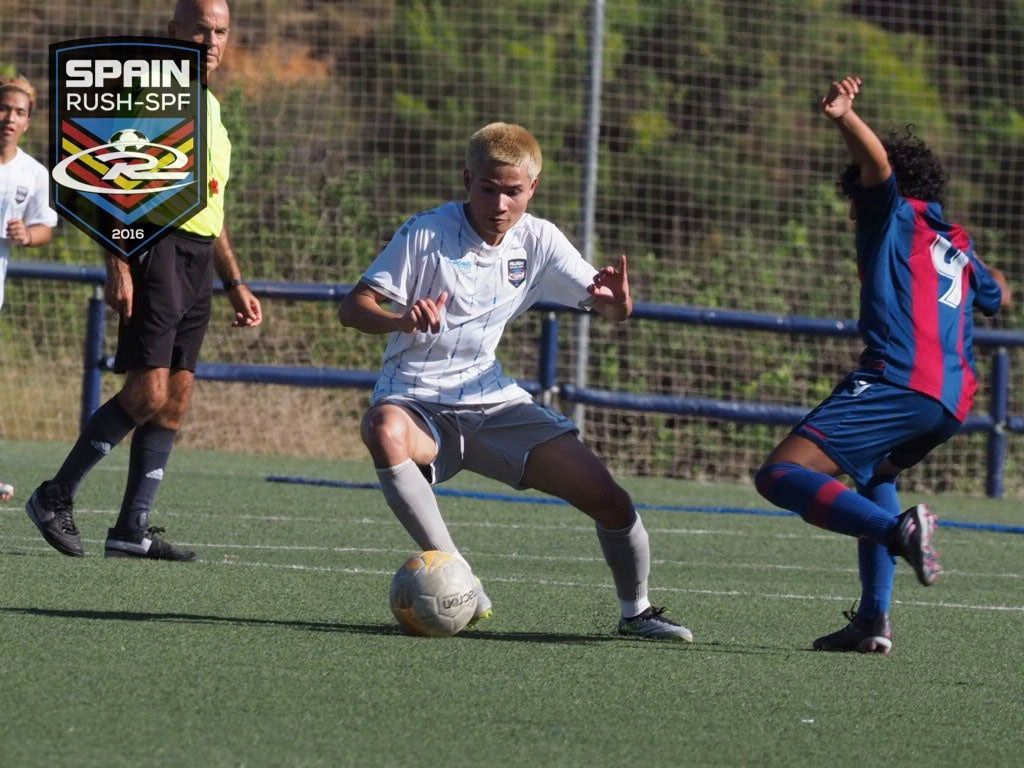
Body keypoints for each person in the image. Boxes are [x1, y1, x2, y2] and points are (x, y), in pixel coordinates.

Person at [338, 122, 692, 641]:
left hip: (493, 402)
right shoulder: (425, 232)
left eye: (513, 191)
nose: (500, 203)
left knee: (609, 499)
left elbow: (607, 307)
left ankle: (636, 612)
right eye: (488, 188)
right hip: (416, 399)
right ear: (467, 179)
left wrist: (620, 304)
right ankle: (460, 578)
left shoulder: (540, 239)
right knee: (382, 428)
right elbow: (354, 309)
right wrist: (402, 320)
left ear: (532, 188)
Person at [754, 76, 1011, 655]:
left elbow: (878, 168)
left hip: (898, 378)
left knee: (780, 476)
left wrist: (844, 118)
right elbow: (1001, 296)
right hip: (951, 400)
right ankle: (873, 618)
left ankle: (900, 532)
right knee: (875, 476)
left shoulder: (890, 213)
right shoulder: (955, 239)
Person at [26, 0, 262, 560]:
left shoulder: (210, 106)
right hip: (152, 247)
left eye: (222, 31)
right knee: (149, 389)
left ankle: (131, 528)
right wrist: (117, 261)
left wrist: (234, 281)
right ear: (173, 32)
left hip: (199, 259)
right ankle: (54, 495)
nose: (212, 40)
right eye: (201, 29)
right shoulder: (150, 95)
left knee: (176, 398)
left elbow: (212, 206)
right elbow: (99, 176)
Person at [0, 75, 58, 502]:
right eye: (4, 108)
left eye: (19, 113)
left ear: (28, 122)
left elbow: (45, 228)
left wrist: (26, 235)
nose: (9, 118)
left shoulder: (33, 173)